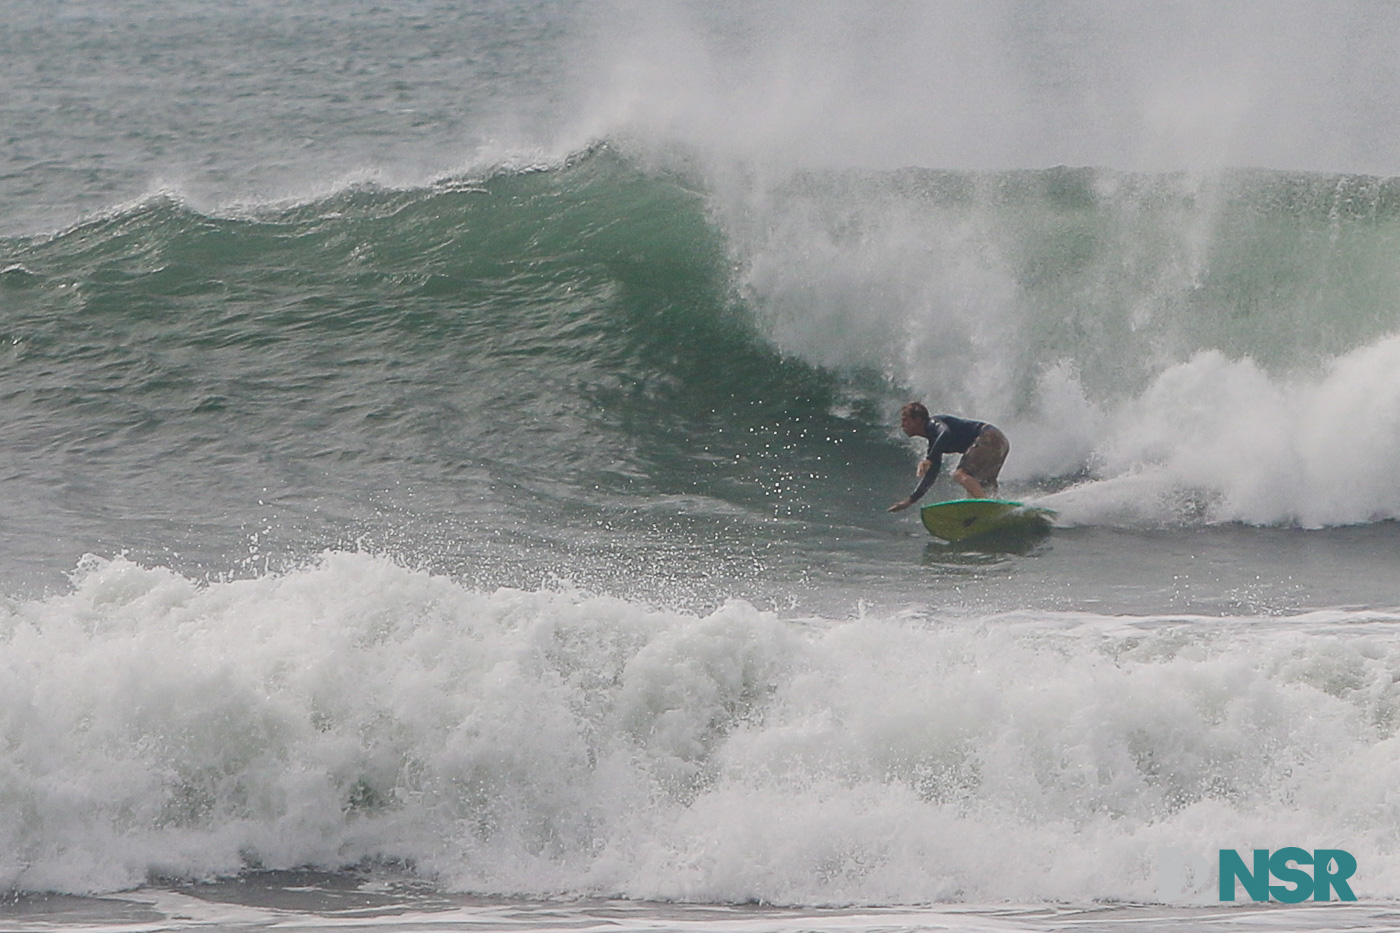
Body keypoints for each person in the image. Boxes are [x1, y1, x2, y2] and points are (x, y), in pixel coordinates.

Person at [887, 402, 1009, 512]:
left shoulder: (934, 424)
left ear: (918, 420)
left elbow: (945, 432)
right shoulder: (935, 443)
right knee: (981, 486)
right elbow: (931, 476)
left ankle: (987, 509)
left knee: (960, 474)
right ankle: (1000, 511)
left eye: (905, 420)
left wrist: (929, 458)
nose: (902, 425)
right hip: (999, 440)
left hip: (988, 436)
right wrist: (910, 501)